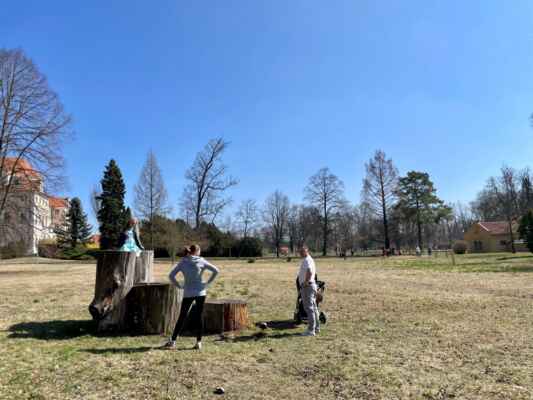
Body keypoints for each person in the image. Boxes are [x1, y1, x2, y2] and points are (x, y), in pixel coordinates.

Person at [163, 244, 219, 350]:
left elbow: (171, 276)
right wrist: (207, 283)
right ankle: (199, 342)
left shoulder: (183, 262)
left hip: (188, 292)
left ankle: (173, 341)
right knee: (199, 316)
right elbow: (216, 271)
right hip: (200, 292)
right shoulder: (201, 261)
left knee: (182, 316)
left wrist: (179, 285)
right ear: (197, 251)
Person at [297, 245, 319, 337]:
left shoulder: (307, 260)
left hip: (308, 287)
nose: (300, 253)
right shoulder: (307, 259)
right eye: (300, 251)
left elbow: (309, 271)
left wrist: (305, 283)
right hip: (310, 286)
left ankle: (311, 330)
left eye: (302, 251)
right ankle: (316, 328)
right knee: (313, 308)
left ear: (307, 251)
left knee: (309, 309)